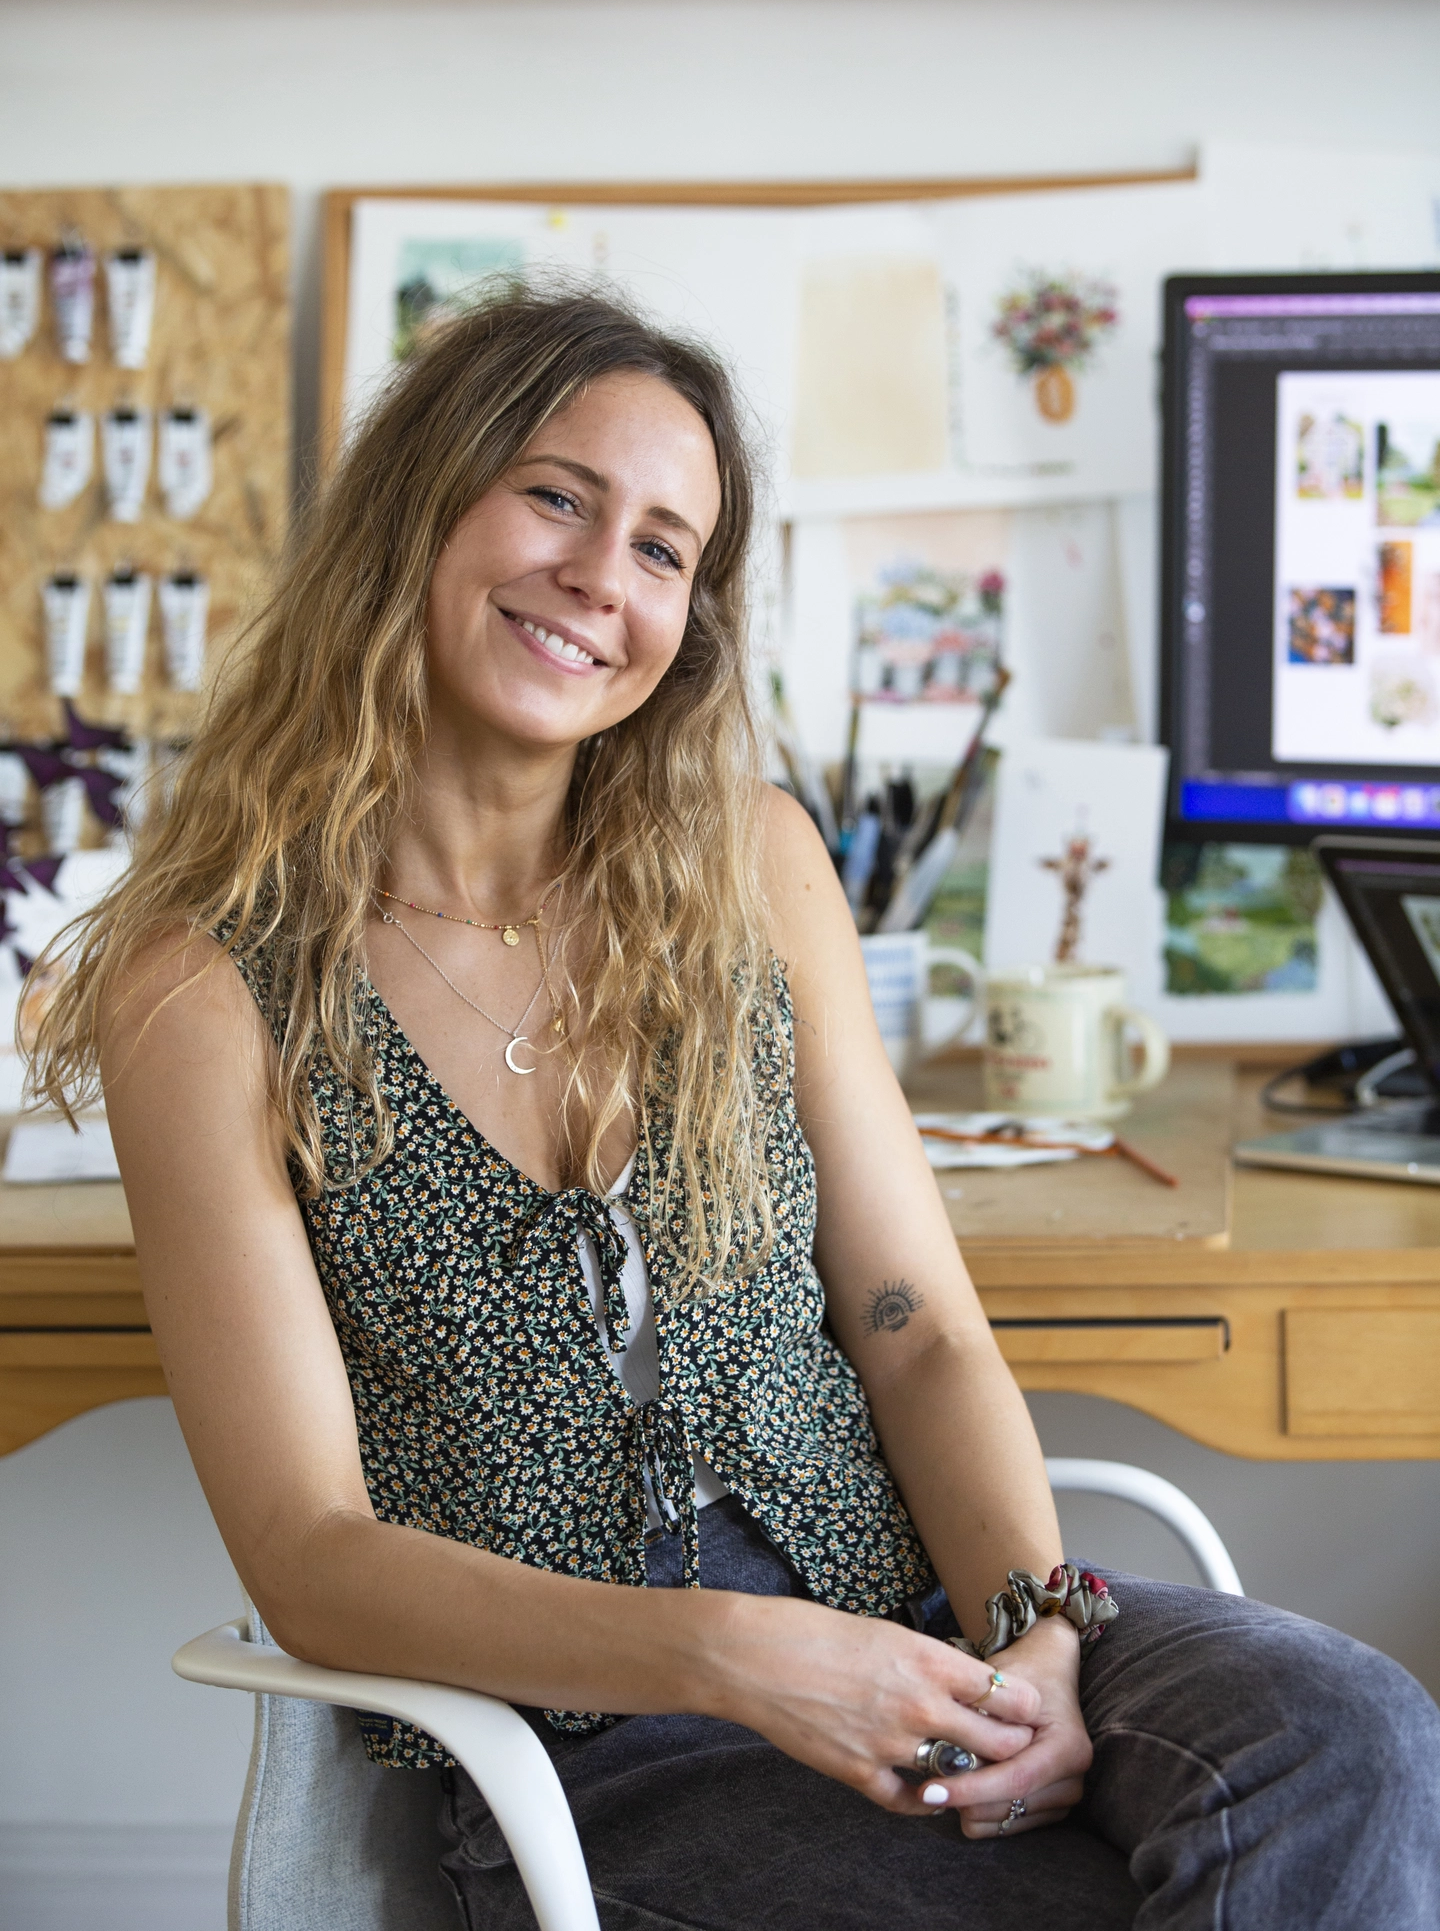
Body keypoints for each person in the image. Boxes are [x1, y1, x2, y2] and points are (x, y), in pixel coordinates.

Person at [32, 283, 1440, 1931]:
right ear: (422, 506)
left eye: (660, 547)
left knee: (1358, 1743)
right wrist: (743, 1659)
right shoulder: (205, 990)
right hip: (602, 1753)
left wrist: (1037, 1627)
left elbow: (915, 1326)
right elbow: (312, 1554)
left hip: (920, 1616)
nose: (597, 578)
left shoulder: (753, 863)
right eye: (555, 495)